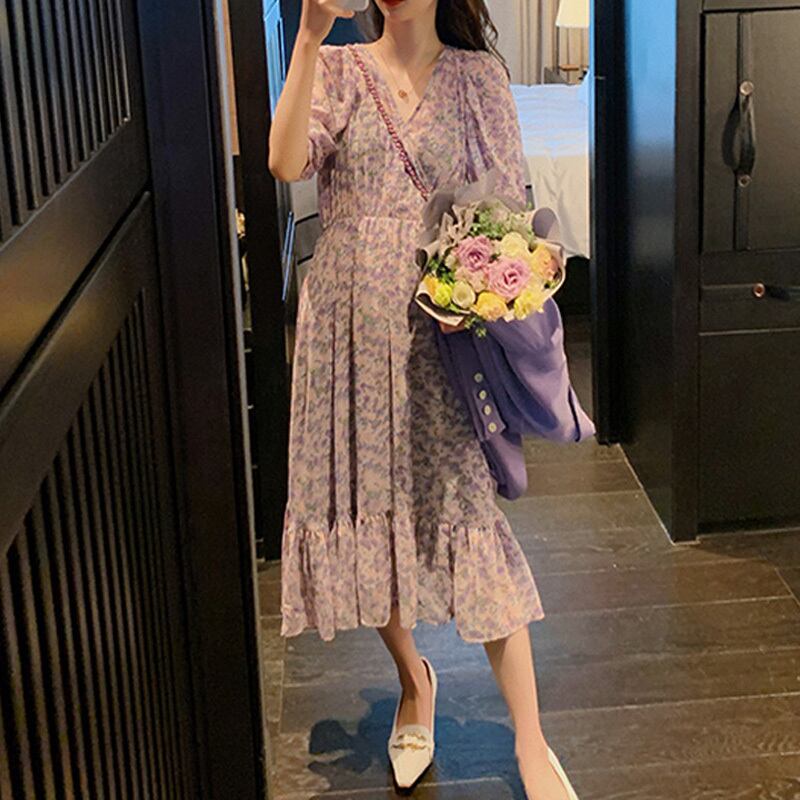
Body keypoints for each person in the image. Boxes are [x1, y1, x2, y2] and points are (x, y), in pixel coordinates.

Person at [269, 2, 581, 798]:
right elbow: (284, 161)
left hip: (439, 339)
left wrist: (490, 281)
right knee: (366, 512)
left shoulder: (479, 78)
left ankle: (531, 742)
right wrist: (308, 36)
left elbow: (508, 207)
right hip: (346, 335)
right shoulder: (337, 69)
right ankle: (415, 681)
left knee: (466, 515)